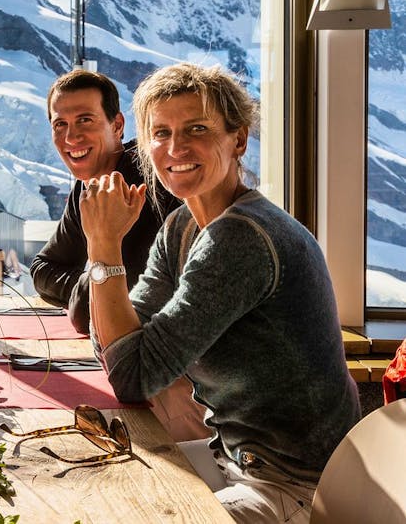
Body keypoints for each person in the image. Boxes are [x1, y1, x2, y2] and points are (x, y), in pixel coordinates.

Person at [81, 62, 360, 522]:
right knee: (99, 493)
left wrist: (103, 245)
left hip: (296, 486)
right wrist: (103, 257)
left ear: (239, 140)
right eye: (161, 132)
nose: (176, 147)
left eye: (197, 129)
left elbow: (133, 372)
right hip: (233, 461)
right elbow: (115, 350)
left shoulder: (242, 237)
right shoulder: (183, 226)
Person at [30, 69, 179, 334]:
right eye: (59, 124)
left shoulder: (148, 180)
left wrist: (94, 287)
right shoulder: (88, 187)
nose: (71, 137)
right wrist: (94, 281)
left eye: (85, 120)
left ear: (117, 126)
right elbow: (43, 270)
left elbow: (87, 314)